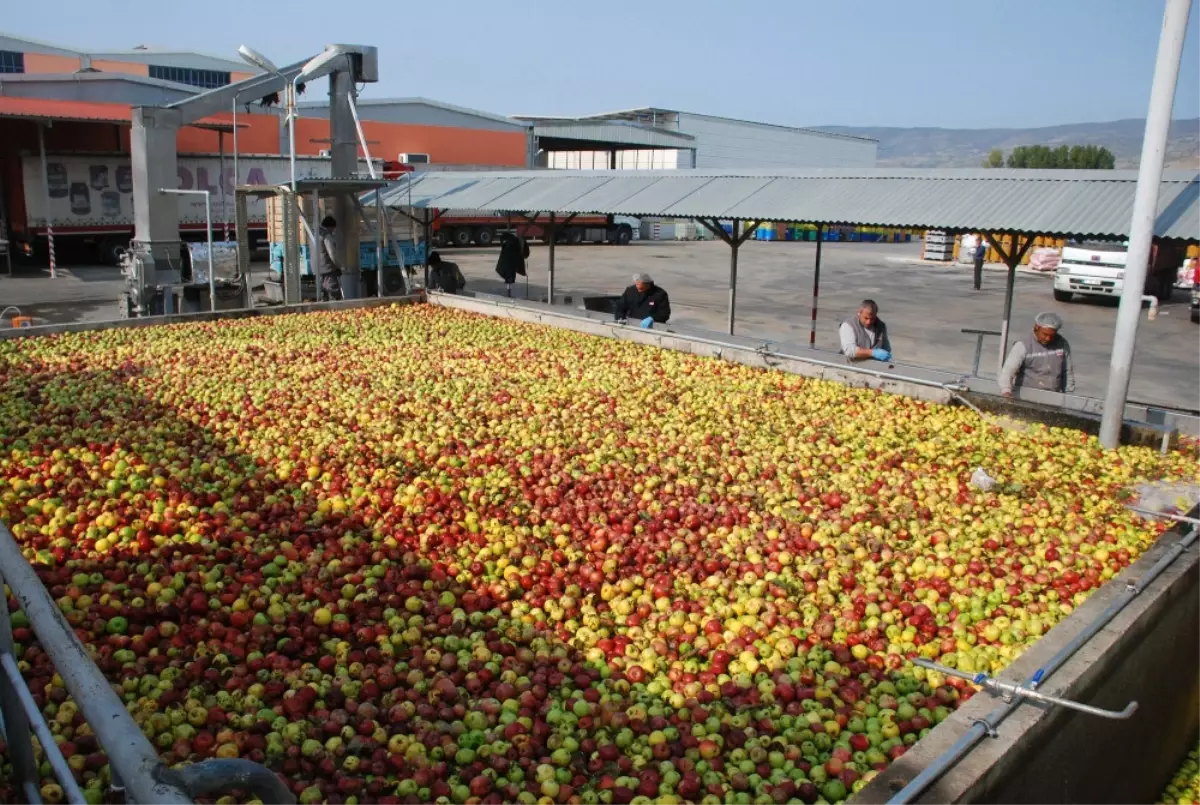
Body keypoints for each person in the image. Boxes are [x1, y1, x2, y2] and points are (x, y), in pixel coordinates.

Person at [999, 312, 1075, 397]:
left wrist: (1069, 396)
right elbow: (1008, 371)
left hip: (1053, 396)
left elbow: (1067, 372)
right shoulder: (1023, 345)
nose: (1048, 338)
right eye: (1045, 334)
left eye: (1052, 335)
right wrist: (1006, 391)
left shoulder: (1062, 344)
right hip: (1026, 397)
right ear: (1036, 328)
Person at [495, 231, 529, 296]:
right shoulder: (518, 242)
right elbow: (525, 254)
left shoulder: (509, 241)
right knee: (509, 276)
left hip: (507, 261)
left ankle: (509, 291)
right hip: (510, 262)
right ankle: (508, 292)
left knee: (509, 276)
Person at [317, 216, 343, 302]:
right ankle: (335, 310)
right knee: (333, 292)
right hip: (328, 268)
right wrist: (338, 266)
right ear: (330, 227)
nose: (333, 231)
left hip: (318, 268)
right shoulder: (326, 236)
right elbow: (332, 254)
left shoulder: (316, 234)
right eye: (333, 229)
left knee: (323, 293)